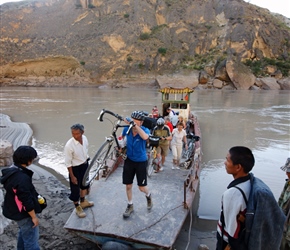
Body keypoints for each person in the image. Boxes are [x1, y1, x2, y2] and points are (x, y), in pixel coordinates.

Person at [0, 146, 44, 250]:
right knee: (31, 241)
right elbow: (26, 200)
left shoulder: (11, 171)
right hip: (23, 214)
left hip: (14, 209)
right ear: (28, 161)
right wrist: (33, 217)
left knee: (23, 233)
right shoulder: (22, 178)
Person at [216, 146, 254, 249]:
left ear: (238, 167)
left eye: (227, 160)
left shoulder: (232, 194)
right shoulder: (250, 182)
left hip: (226, 243)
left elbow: (232, 232)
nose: (224, 163)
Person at [121, 111, 152, 218]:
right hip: (129, 160)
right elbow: (122, 141)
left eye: (136, 121)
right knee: (128, 185)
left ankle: (148, 196)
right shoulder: (126, 129)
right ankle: (130, 205)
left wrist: (135, 126)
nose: (133, 123)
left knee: (142, 187)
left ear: (141, 123)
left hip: (141, 161)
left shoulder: (145, 130)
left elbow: (144, 137)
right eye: (132, 120)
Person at [64, 123, 93, 218]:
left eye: (77, 134)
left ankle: (83, 201)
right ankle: (77, 207)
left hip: (84, 165)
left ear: (82, 132)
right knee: (75, 188)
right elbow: (68, 162)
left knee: (84, 185)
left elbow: (86, 151)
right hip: (75, 169)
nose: (75, 136)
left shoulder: (85, 138)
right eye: (73, 133)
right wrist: (72, 176)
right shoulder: (69, 145)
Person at [279, 158, 290, 250]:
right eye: (287, 170)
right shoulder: (288, 184)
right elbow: (280, 202)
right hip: (283, 230)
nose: (287, 173)